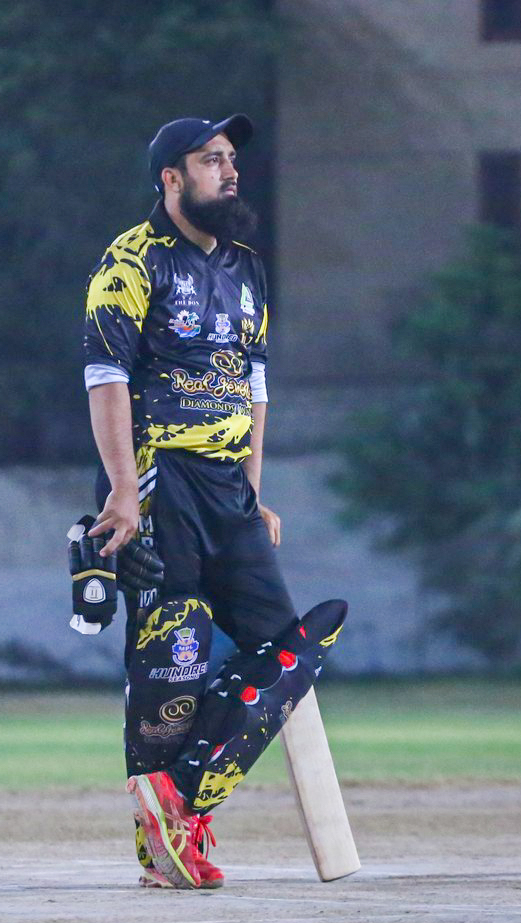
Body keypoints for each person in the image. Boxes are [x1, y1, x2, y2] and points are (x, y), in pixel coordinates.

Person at [74, 115, 347, 889]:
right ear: (171, 178)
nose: (229, 172)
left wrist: (254, 489)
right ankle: (166, 846)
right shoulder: (131, 260)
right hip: (158, 477)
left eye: (231, 159)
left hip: (228, 489)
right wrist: (122, 490)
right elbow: (105, 378)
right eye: (209, 161)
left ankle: (180, 800)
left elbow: (254, 386)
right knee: (174, 659)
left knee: (290, 650)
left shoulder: (246, 267)